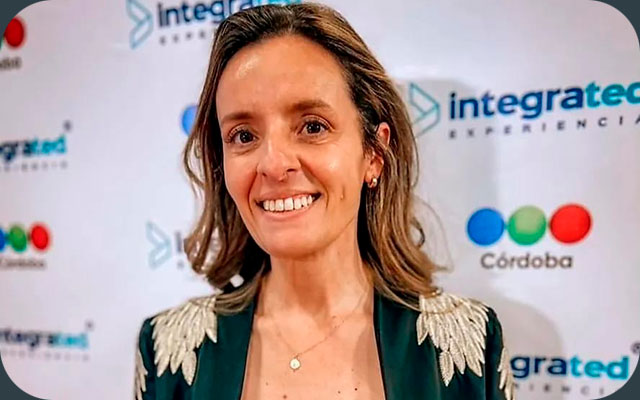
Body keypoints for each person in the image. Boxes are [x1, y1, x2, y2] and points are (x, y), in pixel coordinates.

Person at [134, 3, 515, 399]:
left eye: (312, 127)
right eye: (243, 136)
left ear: (374, 154)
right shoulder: (166, 351)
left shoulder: (471, 343)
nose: (273, 164)